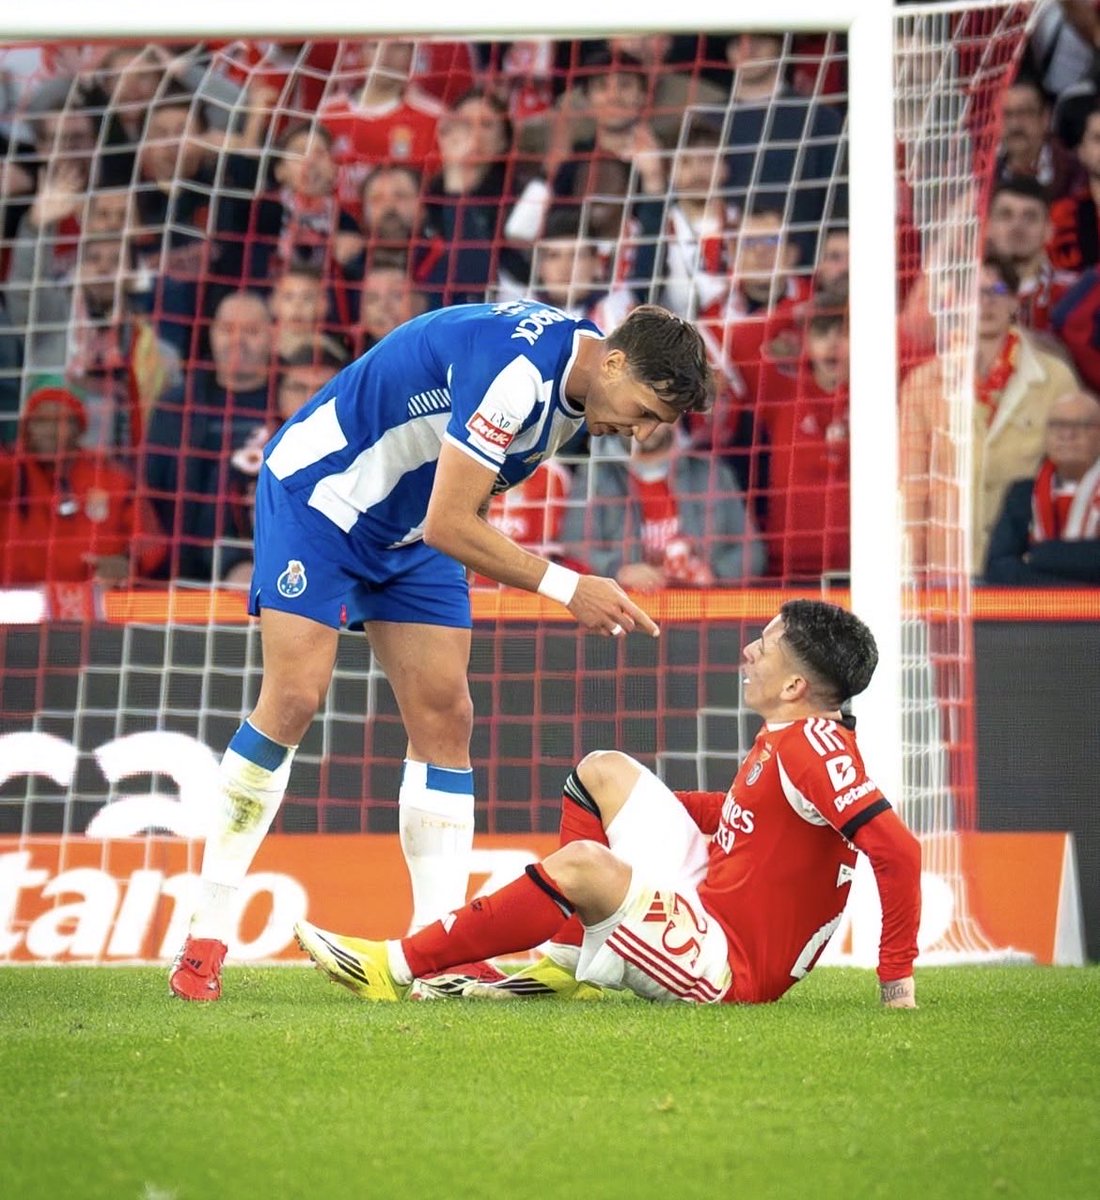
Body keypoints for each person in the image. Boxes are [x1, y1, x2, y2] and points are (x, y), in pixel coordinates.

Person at [168, 300, 713, 1001]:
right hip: (321, 497)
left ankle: (439, 953)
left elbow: (460, 503)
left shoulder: (580, 388)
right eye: (643, 412)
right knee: (295, 698)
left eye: (655, 424)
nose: (640, 434)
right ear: (613, 362)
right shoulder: (519, 377)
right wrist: (568, 586)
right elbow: (451, 524)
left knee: (447, 716)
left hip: (411, 530)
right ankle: (206, 937)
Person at [294, 599, 922, 1009]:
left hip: (729, 966)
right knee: (604, 772)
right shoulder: (796, 736)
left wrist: (896, 979)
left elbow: (898, 851)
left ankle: (396, 966)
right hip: (712, 905)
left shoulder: (814, 745)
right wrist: (658, 807)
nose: (748, 651)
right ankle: (566, 965)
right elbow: (752, 814)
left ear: (795, 685)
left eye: (766, 644)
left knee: (586, 867)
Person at [900, 254, 1079, 577]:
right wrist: (910, 569)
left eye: (996, 291)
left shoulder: (1056, 378)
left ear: (1014, 301)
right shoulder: (923, 383)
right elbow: (912, 487)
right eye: (973, 293)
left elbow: (1071, 477)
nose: (986, 302)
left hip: (1023, 568)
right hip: (948, 571)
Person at [0, 384, 165, 586]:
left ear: (79, 429)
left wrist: (129, 563)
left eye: (60, 422)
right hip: (19, 599)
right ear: (26, 429)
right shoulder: (12, 468)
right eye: (40, 422)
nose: (48, 431)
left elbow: (151, 541)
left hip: (96, 598)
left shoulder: (111, 476)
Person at [983, 389, 1100, 584]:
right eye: (1057, 425)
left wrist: (1038, 556)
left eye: (1081, 425)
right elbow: (997, 570)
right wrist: (1079, 584)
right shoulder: (1022, 494)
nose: (1067, 434)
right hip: (1037, 605)